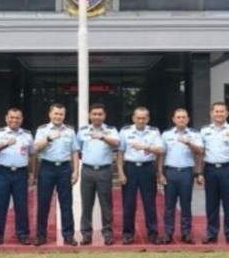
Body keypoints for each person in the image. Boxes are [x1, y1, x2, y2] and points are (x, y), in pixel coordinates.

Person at [32, 103, 80, 246]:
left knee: (66, 203)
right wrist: (49, 138)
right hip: (47, 167)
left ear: (64, 116)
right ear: (50, 114)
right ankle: (41, 236)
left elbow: (74, 152)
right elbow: (36, 147)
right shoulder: (42, 130)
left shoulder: (70, 131)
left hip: (64, 168)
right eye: (56, 114)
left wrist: (76, 171)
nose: (58, 116)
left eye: (61, 114)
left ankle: (68, 235)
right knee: (43, 203)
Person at [198, 101, 229, 244]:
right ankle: (211, 233)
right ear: (211, 113)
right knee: (211, 203)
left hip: (227, 169)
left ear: (227, 113)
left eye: (222, 111)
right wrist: (199, 172)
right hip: (210, 169)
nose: (219, 114)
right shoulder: (204, 130)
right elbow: (200, 152)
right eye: (216, 111)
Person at [116, 107, 164, 244]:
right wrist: (120, 172)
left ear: (148, 119)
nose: (141, 120)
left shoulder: (154, 131)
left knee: (150, 203)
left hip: (147, 168)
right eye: (138, 118)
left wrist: (145, 147)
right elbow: (120, 153)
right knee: (128, 203)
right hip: (130, 168)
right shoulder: (125, 131)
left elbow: (160, 150)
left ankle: (153, 233)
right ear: (133, 118)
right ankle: (127, 234)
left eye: (144, 118)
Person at [0, 108, 34, 246]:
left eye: (17, 118)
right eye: (12, 117)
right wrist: (5, 143)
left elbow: (32, 154)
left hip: (21, 173)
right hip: (2, 172)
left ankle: (23, 234)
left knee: (21, 205)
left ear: (22, 119)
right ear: (6, 118)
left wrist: (32, 173)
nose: (14, 120)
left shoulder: (27, 135)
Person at [76, 103, 121, 246]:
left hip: (104, 171)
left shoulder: (111, 130)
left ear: (104, 116)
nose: (97, 117)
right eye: (94, 114)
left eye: (100, 114)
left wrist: (102, 137)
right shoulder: (83, 131)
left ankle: (107, 234)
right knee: (86, 204)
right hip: (87, 170)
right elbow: (78, 150)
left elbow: (116, 143)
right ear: (90, 116)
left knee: (106, 204)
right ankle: (86, 234)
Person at [158, 108, 203, 244]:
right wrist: (160, 173)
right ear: (173, 119)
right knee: (169, 205)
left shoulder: (194, 134)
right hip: (170, 172)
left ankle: (186, 232)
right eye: (178, 117)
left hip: (186, 172)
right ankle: (168, 232)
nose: (181, 119)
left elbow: (200, 151)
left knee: (186, 204)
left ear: (188, 119)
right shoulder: (166, 134)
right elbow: (161, 154)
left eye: (184, 117)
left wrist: (188, 143)